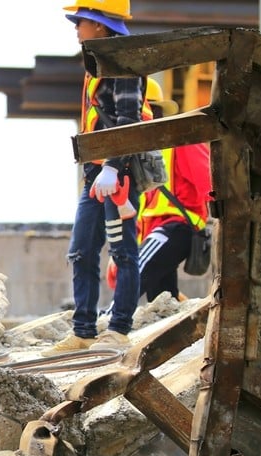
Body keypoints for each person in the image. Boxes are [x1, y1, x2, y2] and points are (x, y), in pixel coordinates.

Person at [43, 1, 151, 357]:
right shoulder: (98, 63)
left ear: (100, 27)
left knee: (122, 251)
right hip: (96, 173)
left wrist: (114, 166)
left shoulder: (122, 64)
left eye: (81, 23)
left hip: (116, 175)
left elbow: (128, 120)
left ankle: (118, 329)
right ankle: (84, 330)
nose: (77, 29)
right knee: (82, 250)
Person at [105, 79, 212, 303]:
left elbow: (209, 184)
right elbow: (137, 208)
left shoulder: (182, 142)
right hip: (157, 233)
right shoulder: (136, 158)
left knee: (129, 283)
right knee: (163, 302)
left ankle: (109, 325)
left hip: (175, 228)